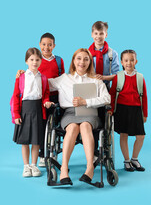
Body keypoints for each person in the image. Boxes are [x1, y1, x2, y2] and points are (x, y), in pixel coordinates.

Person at [48, 48, 111, 185]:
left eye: (86, 59)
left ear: (89, 62)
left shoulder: (96, 80)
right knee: (71, 128)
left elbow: (107, 98)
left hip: (89, 112)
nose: (82, 62)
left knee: (85, 126)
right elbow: (44, 83)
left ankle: (90, 167)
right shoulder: (64, 78)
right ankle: (64, 168)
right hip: (70, 112)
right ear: (73, 61)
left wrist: (86, 102)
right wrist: (26, 75)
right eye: (79, 58)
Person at [17, 32, 65, 167]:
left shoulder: (58, 60)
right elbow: (29, 74)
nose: (46, 47)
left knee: (54, 125)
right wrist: (21, 72)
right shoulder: (36, 60)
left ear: (54, 46)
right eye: (44, 44)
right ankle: (42, 155)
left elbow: (63, 78)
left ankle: (52, 150)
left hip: (54, 97)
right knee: (42, 126)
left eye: (50, 45)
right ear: (39, 45)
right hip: (39, 98)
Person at [12, 48, 53, 177]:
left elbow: (45, 94)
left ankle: (34, 165)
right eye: (31, 59)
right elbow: (15, 96)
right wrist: (16, 115)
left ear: (41, 61)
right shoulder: (21, 77)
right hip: (25, 109)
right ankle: (26, 166)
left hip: (38, 110)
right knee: (25, 141)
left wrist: (46, 101)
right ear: (26, 61)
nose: (34, 62)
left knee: (36, 140)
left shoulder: (44, 78)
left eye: (37, 60)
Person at [108, 49, 148, 172]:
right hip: (121, 109)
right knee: (123, 135)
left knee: (140, 136)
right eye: (126, 60)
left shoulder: (140, 77)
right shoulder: (118, 77)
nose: (129, 63)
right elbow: (113, 94)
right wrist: (111, 109)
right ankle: (126, 161)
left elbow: (144, 96)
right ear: (121, 62)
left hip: (136, 109)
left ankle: (134, 159)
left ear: (136, 61)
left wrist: (144, 113)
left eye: (131, 60)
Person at [88, 21, 119, 90]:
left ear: (106, 35)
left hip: (106, 87)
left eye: (101, 33)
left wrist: (103, 77)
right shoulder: (87, 53)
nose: (98, 36)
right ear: (92, 34)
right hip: (89, 86)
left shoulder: (112, 53)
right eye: (96, 33)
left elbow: (117, 75)